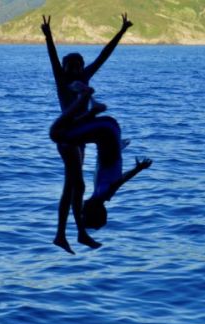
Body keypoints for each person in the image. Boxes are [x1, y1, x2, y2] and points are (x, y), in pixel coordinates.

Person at [41, 13, 132, 254]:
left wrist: (121, 31)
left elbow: (104, 55)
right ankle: (66, 234)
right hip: (70, 137)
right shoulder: (62, 81)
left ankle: (72, 233)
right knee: (72, 186)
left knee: (77, 187)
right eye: (71, 66)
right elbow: (52, 58)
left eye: (78, 65)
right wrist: (48, 36)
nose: (75, 69)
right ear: (65, 68)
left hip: (78, 137)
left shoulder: (84, 77)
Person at [49, 82, 152, 233]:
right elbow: (119, 182)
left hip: (111, 132)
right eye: (84, 215)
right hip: (106, 132)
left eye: (81, 215)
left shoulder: (103, 194)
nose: (81, 211)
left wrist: (138, 168)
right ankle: (86, 99)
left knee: (67, 137)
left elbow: (120, 179)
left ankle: (89, 104)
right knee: (57, 134)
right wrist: (137, 169)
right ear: (94, 212)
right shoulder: (103, 194)